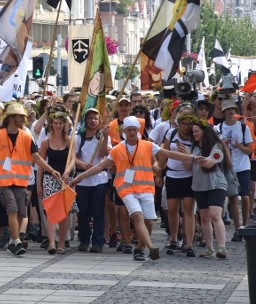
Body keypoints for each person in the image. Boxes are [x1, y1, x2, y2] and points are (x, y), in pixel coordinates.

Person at [71, 116, 195, 261]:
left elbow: (168, 154)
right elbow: (100, 167)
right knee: (137, 216)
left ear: (138, 131)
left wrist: (192, 158)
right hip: (126, 189)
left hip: (146, 189)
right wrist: (78, 178)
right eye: (129, 130)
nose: (132, 133)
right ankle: (151, 247)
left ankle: (138, 249)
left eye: (134, 130)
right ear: (124, 131)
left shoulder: (147, 145)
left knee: (148, 222)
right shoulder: (118, 149)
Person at [0, 103, 63, 256]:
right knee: (12, 208)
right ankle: (16, 242)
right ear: (11, 118)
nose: (24, 119)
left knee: (21, 213)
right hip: (4, 181)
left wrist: (51, 170)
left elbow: (36, 158)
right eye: (21, 117)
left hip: (21, 181)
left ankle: (12, 241)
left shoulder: (26, 136)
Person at [157, 111, 198, 257]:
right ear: (179, 123)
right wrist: (160, 172)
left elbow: (195, 156)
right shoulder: (171, 133)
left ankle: (189, 243)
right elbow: (164, 153)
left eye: (189, 124)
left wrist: (186, 153)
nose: (186, 127)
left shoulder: (194, 137)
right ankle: (174, 239)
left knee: (188, 210)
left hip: (188, 176)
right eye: (184, 124)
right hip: (173, 174)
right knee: (172, 209)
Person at [38, 111, 77, 254]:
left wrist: (68, 171)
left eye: (61, 123)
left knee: (65, 213)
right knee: (51, 212)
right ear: (52, 124)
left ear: (65, 124)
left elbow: (73, 158)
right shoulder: (45, 142)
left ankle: (61, 243)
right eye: (56, 123)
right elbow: (41, 163)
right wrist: (39, 184)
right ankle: (51, 243)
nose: (58, 125)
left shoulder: (69, 140)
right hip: (50, 179)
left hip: (66, 180)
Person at [190, 120, 230, 258]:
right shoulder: (194, 148)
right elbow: (188, 165)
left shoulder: (216, 145)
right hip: (199, 185)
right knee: (204, 217)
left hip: (216, 184)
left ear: (204, 131)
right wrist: (191, 157)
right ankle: (209, 248)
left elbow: (209, 164)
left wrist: (195, 159)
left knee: (215, 215)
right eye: (193, 131)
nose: (194, 134)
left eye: (196, 131)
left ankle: (222, 247)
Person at [215, 99, 253, 242]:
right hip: (228, 167)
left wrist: (239, 146)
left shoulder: (243, 128)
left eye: (232, 109)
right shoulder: (218, 128)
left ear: (235, 111)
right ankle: (238, 229)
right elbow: (215, 149)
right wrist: (222, 146)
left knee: (244, 196)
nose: (230, 112)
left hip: (243, 166)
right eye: (228, 110)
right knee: (232, 198)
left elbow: (250, 150)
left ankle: (246, 225)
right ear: (223, 112)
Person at [73, 108, 109, 253]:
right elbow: (73, 157)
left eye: (96, 118)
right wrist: (81, 164)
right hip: (82, 180)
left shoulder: (102, 136)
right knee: (83, 212)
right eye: (90, 118)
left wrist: (105, 137)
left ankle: (98, 242)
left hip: (99, 179)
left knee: (98, 212)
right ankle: (84, 239)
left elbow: (102, 153)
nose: (93, 121)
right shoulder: (78, 137)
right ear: (85, 120)